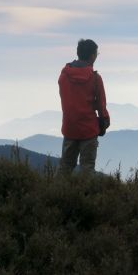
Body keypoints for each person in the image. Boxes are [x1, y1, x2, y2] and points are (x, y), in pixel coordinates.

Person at [57, 39, 110, 175]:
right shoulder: (95, 79)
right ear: (92, 56)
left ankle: (56, 193)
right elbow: (101, 106)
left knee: (65, 167)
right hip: (88, 130)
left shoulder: (64, 76)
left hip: (69, 128)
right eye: (96, 54)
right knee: (87, 169)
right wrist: (104, 123)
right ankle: (85, 195)